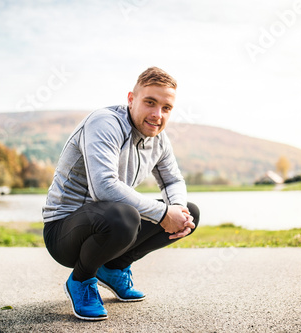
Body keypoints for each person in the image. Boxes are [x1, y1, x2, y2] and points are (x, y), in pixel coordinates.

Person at [42, 67, 200, 321]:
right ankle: (81, 280)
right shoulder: (104, 123)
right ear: (131, 99)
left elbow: (173, 180)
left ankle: (113, 269)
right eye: (150, 102)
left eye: (166, 108)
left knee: (189, 212)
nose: (157, 115)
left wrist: (176, 210)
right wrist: (162, 214)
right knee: (124, 216)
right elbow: (104, 186)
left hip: (108, 221)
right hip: (63, 231)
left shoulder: (159, 140)